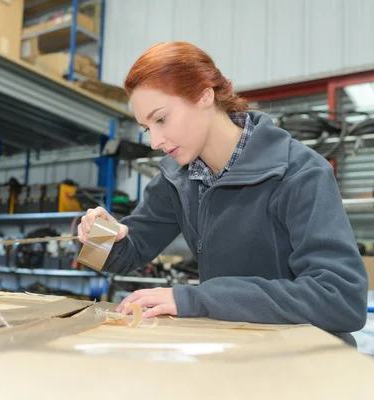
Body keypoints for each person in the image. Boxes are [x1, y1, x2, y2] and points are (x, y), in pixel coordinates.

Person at [77, 41, 369, 344]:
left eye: (161, 119)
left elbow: (340, 298)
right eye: (147, 127)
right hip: (229, 349)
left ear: (205, 95)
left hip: (303, 361)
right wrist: (100, 237)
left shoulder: (299, 173)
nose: (155, 141)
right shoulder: (176, 178)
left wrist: (197, 299)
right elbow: (128, 254)